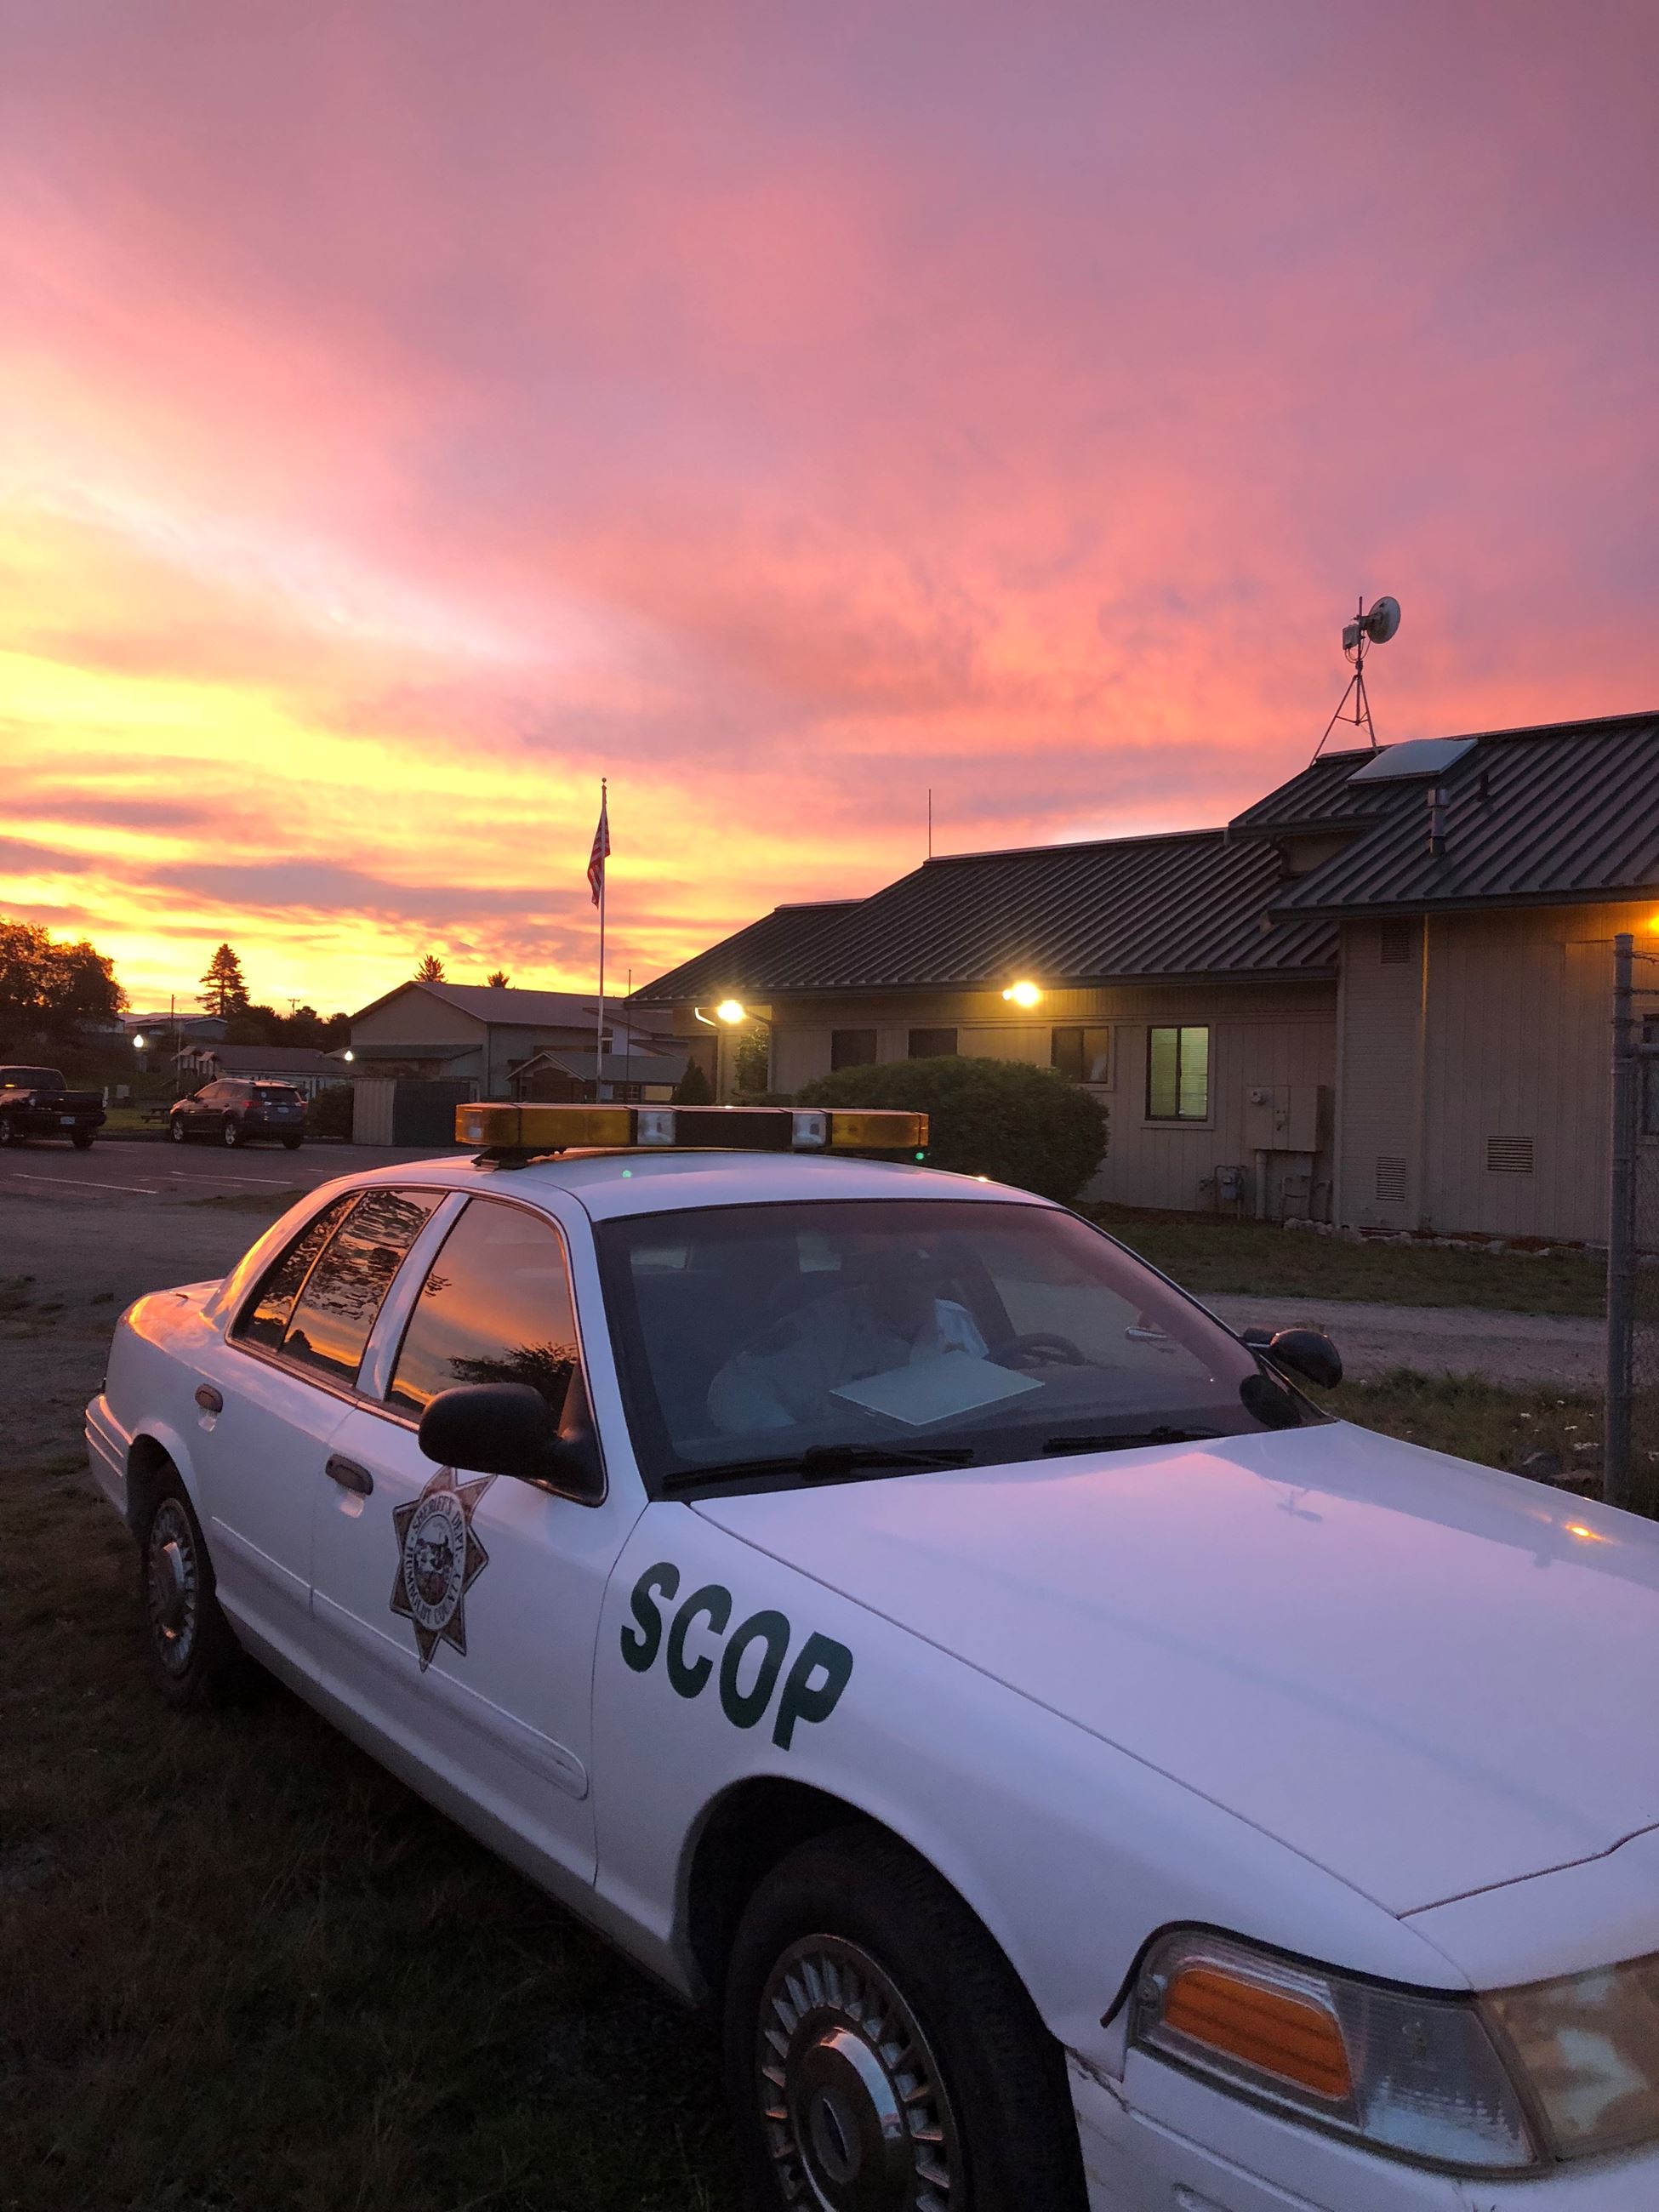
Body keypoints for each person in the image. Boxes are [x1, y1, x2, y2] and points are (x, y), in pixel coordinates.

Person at [706, 1242, 988, 1434]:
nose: (911, 1285)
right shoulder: (820, 1327)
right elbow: (733, 1391)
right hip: (842, 1479)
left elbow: (989, 1398)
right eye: (899, 1271)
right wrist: (799, 1448)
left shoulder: (957, 1321)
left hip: (953, 1466)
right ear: (875, 1275)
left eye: (926, 1273)